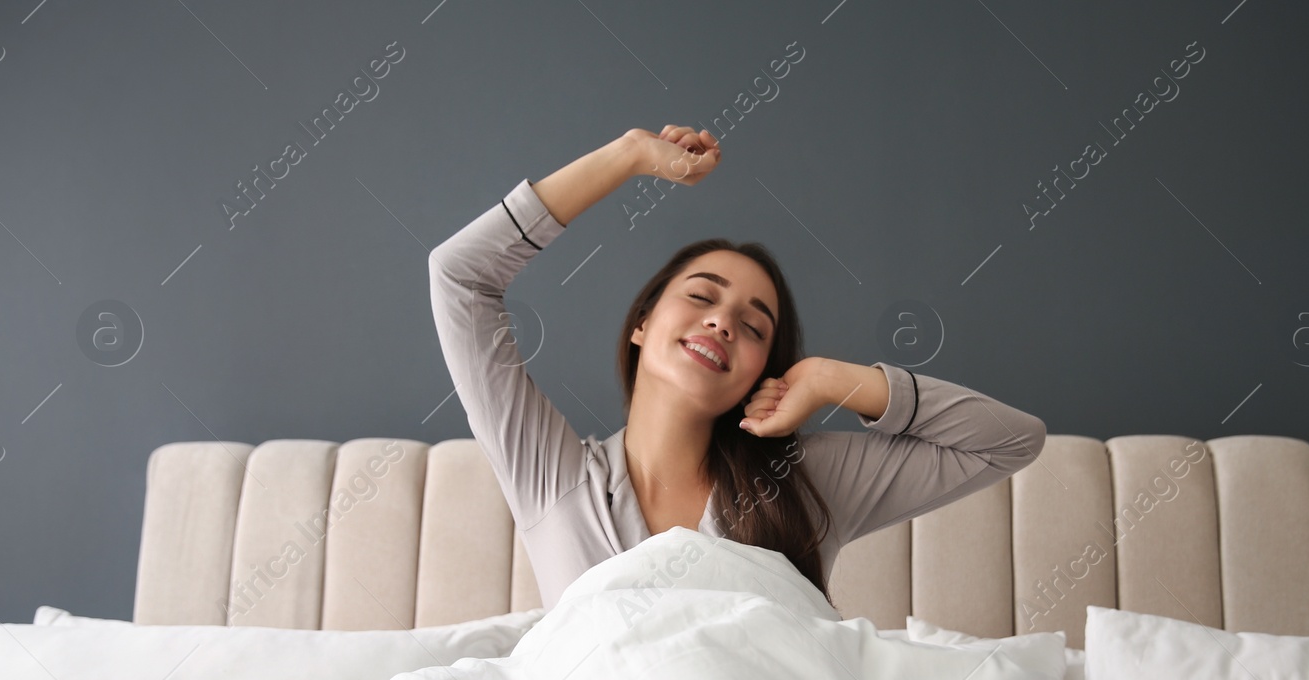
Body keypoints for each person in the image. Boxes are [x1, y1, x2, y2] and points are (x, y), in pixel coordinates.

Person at [427, 124, 1047, 610]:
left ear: (762, 372)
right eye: (701, 296)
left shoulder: (803, 480)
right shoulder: (551, 476)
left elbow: (1009, 443)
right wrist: (628, 157)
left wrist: (834, 380)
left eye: (754, 327)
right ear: (642, 323)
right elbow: (460, 276)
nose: (723, 322)